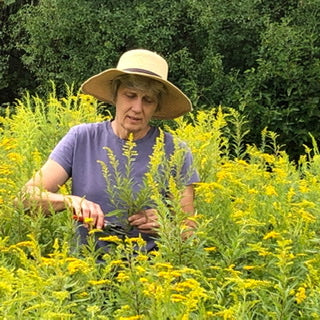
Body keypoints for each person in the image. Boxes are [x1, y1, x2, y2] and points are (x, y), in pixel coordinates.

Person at [20, 49, 200, 254]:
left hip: (151, 277)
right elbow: (24, 200)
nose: (137, 108)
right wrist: (70, 201)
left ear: (157, 106)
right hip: (86, 272)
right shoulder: (81, 138)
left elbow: (190, 233)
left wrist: (167, 225)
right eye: (130, 96)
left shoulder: (175, 151)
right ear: (115, 95)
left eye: (148, 100)